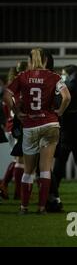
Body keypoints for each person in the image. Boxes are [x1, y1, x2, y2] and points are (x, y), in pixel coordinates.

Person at [4, 48, 71, 214]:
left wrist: (17, 112)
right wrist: (60, 111)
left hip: (31, 125)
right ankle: (41, 207)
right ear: (46, 61)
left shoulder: (22, 77)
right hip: (50, 125)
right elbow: (67, 97)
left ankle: (24, 207)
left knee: (28, 170)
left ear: (30, 61)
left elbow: (6, 94)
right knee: (46, 168)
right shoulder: (54, 77)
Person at [53, 65, 77, 199]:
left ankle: (53, 191)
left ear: (69, 74)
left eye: (64, 74)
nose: (62, 76)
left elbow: (58, 102)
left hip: (67, 128)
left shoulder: (67, 87)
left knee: (60, 161)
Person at [0, 61, 28, 200]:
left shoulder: (9, 88)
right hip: (17, 127)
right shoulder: (21, 87)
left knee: (18, 159)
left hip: (10, 126)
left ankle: (5, 185)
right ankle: (18, 192)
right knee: (20, 160)